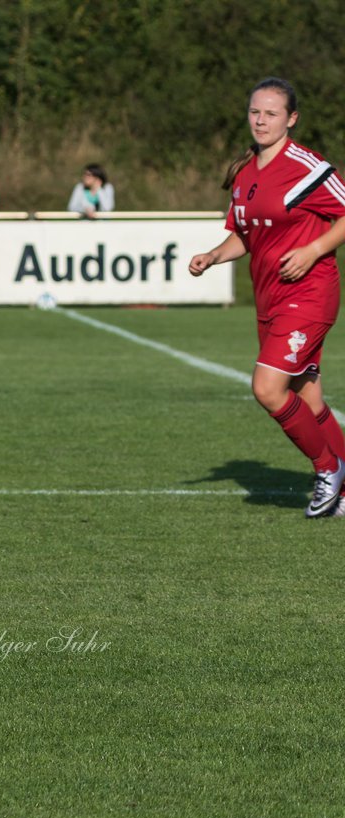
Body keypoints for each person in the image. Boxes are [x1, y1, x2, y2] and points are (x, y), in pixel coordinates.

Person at [189, 77, 345, 518]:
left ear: (291, 119)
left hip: (310, 294)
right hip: (270, 300)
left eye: (272, 113)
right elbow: (245, 236)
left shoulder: (308, 168)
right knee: (308, 399)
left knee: (267, 388)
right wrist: (213, 256)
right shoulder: (244, 172)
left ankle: (327, 469)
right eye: (255, 112)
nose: (261, 120)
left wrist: (314, 249)